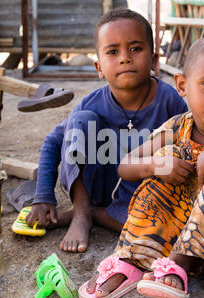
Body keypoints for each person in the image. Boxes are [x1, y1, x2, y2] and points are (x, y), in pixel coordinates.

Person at [79, 36, 204, 298]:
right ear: (182, 85)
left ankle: (179, 263)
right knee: (166, 158)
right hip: (193, 229)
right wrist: (156, 165)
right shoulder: (178, 126)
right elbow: (125, 166)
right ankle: (134, 259)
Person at [25, 8, 187, 253]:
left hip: (145, 198)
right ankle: (80, 213)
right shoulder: (93, 103)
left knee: (160, 231)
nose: (125, 58)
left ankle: (95, 216)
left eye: (135, 48)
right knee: (80, 121)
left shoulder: (170, 101)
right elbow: (52, 143)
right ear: (99, 67)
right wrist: (43, 195)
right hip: (98, 188)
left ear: (154, 60)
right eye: (113, 52)